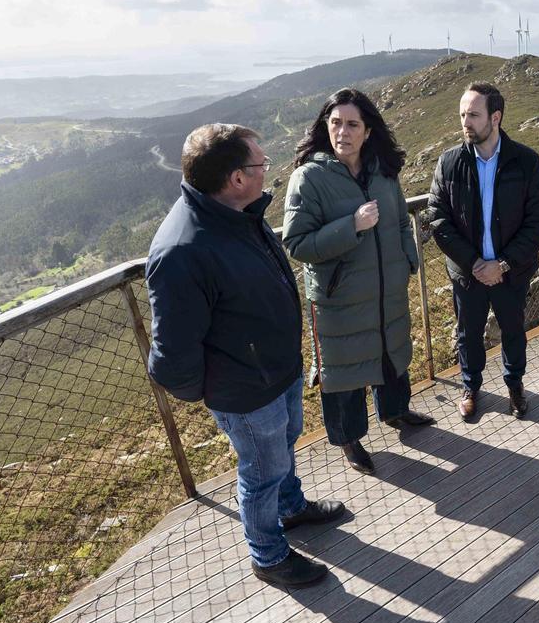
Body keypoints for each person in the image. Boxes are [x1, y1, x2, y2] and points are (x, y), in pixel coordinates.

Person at [145, 123, 342, 589]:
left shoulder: (235, 213)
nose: (266, 170)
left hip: (276, 371)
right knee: (262, 472)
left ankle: (291, 508)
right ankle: (268, 556)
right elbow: (172, 355)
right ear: (236, 178)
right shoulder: (182, 250)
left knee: (284, 447)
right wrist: (222, 389)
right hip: (247, 390)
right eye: (260, 164)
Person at [283, 88, 435, 476]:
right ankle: (348, 440)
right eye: (336, 123)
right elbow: (297, 243)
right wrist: (351, 225)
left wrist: (408, 262)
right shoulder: (309, 178)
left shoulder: (382, 171)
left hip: (387, 290)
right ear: (325, 127)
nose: (343, 132)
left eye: (352, 124)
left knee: (391, 354)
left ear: (367, 131)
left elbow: (400, 222)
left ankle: (396, 412)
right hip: (339, 301)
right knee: (344, 374)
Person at [426, 82, 539, 420]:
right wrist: (474, 263)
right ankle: (470, 388)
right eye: (462, 115)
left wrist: (503, 264)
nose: (465, 122)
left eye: (473, 115)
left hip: (512, 272)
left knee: (513, 331)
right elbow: (438, 219)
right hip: (467, 273)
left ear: (495, 117)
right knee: (468, 335)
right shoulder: (449, 162)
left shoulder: (526, 162)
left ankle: (515, 386)